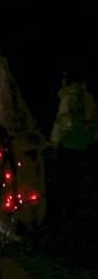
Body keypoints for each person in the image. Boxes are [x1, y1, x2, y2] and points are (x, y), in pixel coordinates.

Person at [49, 69, 97, 228]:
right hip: (79, 146)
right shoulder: (86, 97)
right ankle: (71, 214)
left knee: (62, 181)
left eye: (64, 77)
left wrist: (55, 141)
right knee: (73, 181)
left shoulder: (69, 99)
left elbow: (65, 123)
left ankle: (61, 218)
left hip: (67, 146)